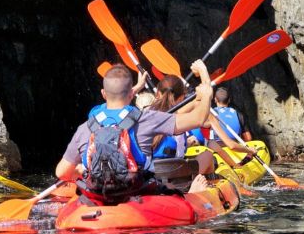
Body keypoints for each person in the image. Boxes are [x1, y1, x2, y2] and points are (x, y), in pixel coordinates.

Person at [55, 61, 213, 199]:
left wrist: (81, 171)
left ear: (103, 94)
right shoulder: (147, 119)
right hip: (136, 194)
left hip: (97, 196)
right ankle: (191, 194)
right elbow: (198, 118)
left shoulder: (85, 127)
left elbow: (61, 173)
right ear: (132, 94)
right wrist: (206, 92)